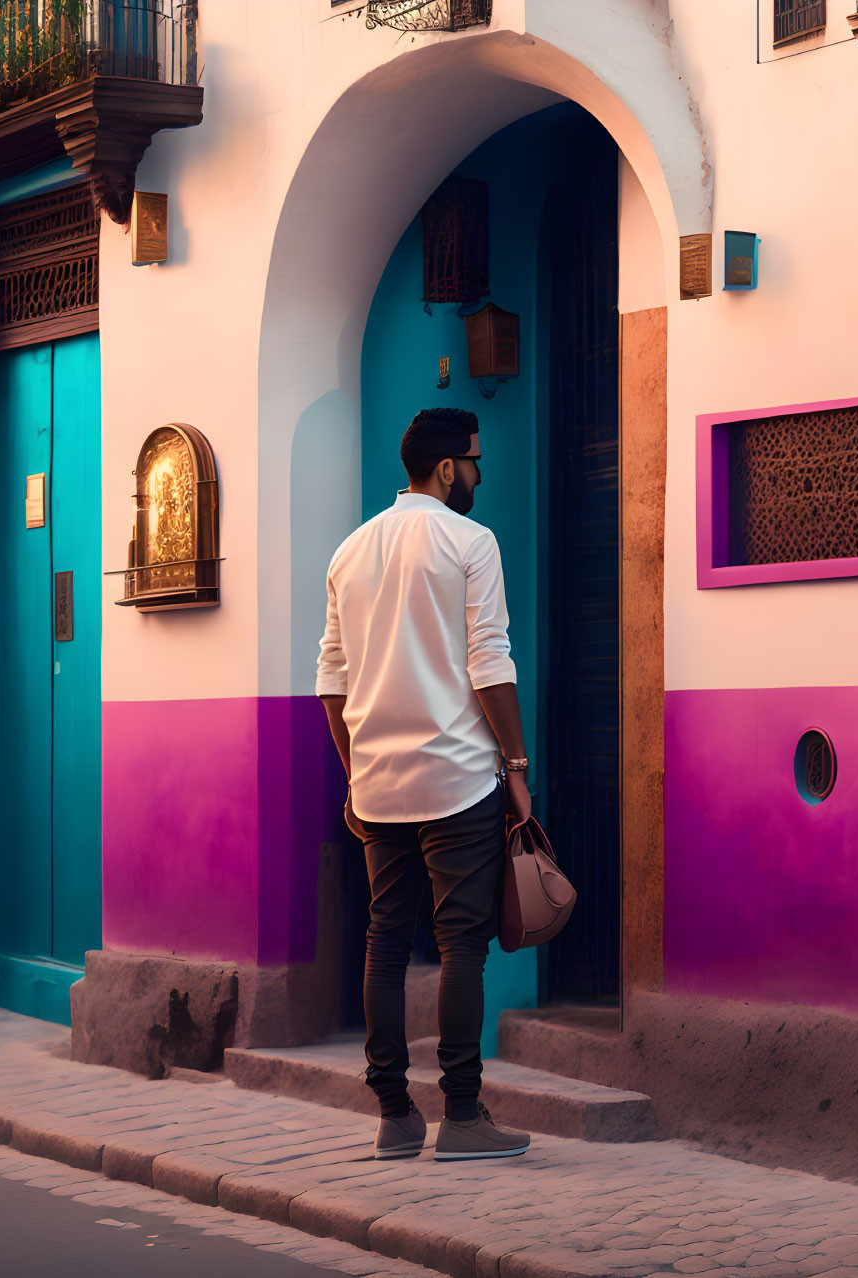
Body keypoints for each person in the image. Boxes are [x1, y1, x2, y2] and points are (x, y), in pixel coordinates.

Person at [316, 407, 534, 1162]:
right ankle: (464, 1116)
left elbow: (330, 681)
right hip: (457, 779)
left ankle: (394, 1116)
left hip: (377, 784)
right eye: (473, 462)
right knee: (461, 946)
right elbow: (489, 661)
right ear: (447, 470)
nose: (476, 476)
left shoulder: (349, 551)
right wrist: (516, 765)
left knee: (383, 942)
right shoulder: (471, 542)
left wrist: (353, 776)